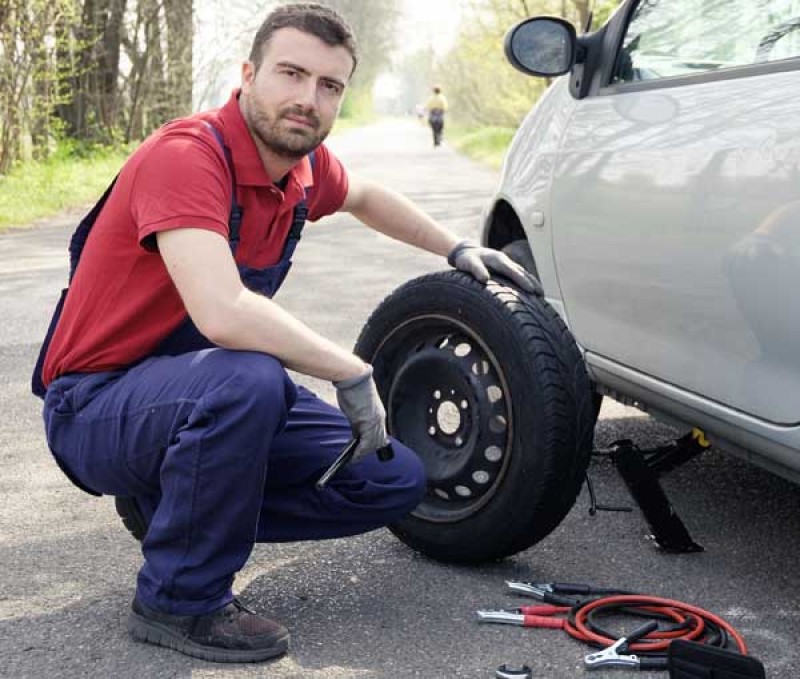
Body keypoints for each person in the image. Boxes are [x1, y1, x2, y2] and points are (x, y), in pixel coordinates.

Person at [32, 3, 540, 664]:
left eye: (329, 85)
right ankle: (179, 598)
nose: (308, 98)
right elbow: (221, 312)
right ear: (248, 74)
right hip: (96, 406)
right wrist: (348, 368)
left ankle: (177, 510)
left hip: (194, 394)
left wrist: (457, 247)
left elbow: (363, 196)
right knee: (248, 377)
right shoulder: (188, 156)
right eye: (291, 73)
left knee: (391, 477)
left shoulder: (298, 170)